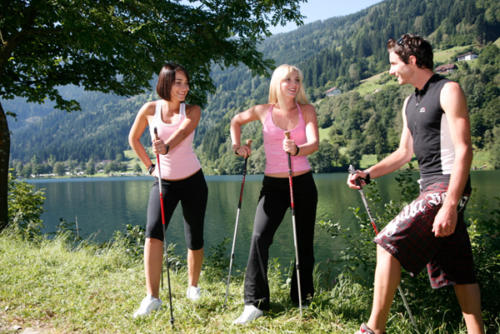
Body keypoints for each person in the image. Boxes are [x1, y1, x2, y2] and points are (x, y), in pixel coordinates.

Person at [347, 34, 484, 334]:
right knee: (460, 272)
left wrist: (450, 204)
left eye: (394, 64)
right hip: (429, 189)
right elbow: (403, 154)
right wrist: (367, 173)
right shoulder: (410, 102)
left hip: (446, 189)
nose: (391, 70)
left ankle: (373, 330)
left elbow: (464, 150)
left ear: (412, 61)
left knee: (386, 244)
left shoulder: (448, 90)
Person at [230, 64, 319, 324]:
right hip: (273, 186)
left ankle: (303, 298)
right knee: (259, 236)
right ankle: (254, 303)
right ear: (276, 83)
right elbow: (235, 120)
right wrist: (237, 148)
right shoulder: (262, 111)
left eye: (298, 79)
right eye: (288, 79)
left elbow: (314, 143)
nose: (294, 84)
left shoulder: (307, 110)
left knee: (303, 243)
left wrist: (297, 149)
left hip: (302, 183)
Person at [128, 63, 208, 317]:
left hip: (193, 180)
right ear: (166, 83)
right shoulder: (150, 109)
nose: (185, 88)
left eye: (186, 83)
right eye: (179, 83)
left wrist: (166, 146)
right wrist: (150, 166)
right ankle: (152, 297)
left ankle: (193, 287)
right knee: (153, 233)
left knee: (194, 235)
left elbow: (184, 131)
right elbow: (133, 139)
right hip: (164, 181)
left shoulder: (193, 110)